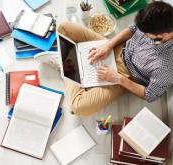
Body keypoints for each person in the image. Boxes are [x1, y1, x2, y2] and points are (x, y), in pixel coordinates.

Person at [35, 1, 173, 117]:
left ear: (163, 35)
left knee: (78, 107)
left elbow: (150, 95)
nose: (141, 33)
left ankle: (65, 64)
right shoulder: (158, 17)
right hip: (118, 48)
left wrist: (118, 78)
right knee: (63, 28)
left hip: (125, 77)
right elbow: (133, 28)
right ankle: (73, 66)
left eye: (145, 34)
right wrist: (109, 44)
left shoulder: (167, 66)